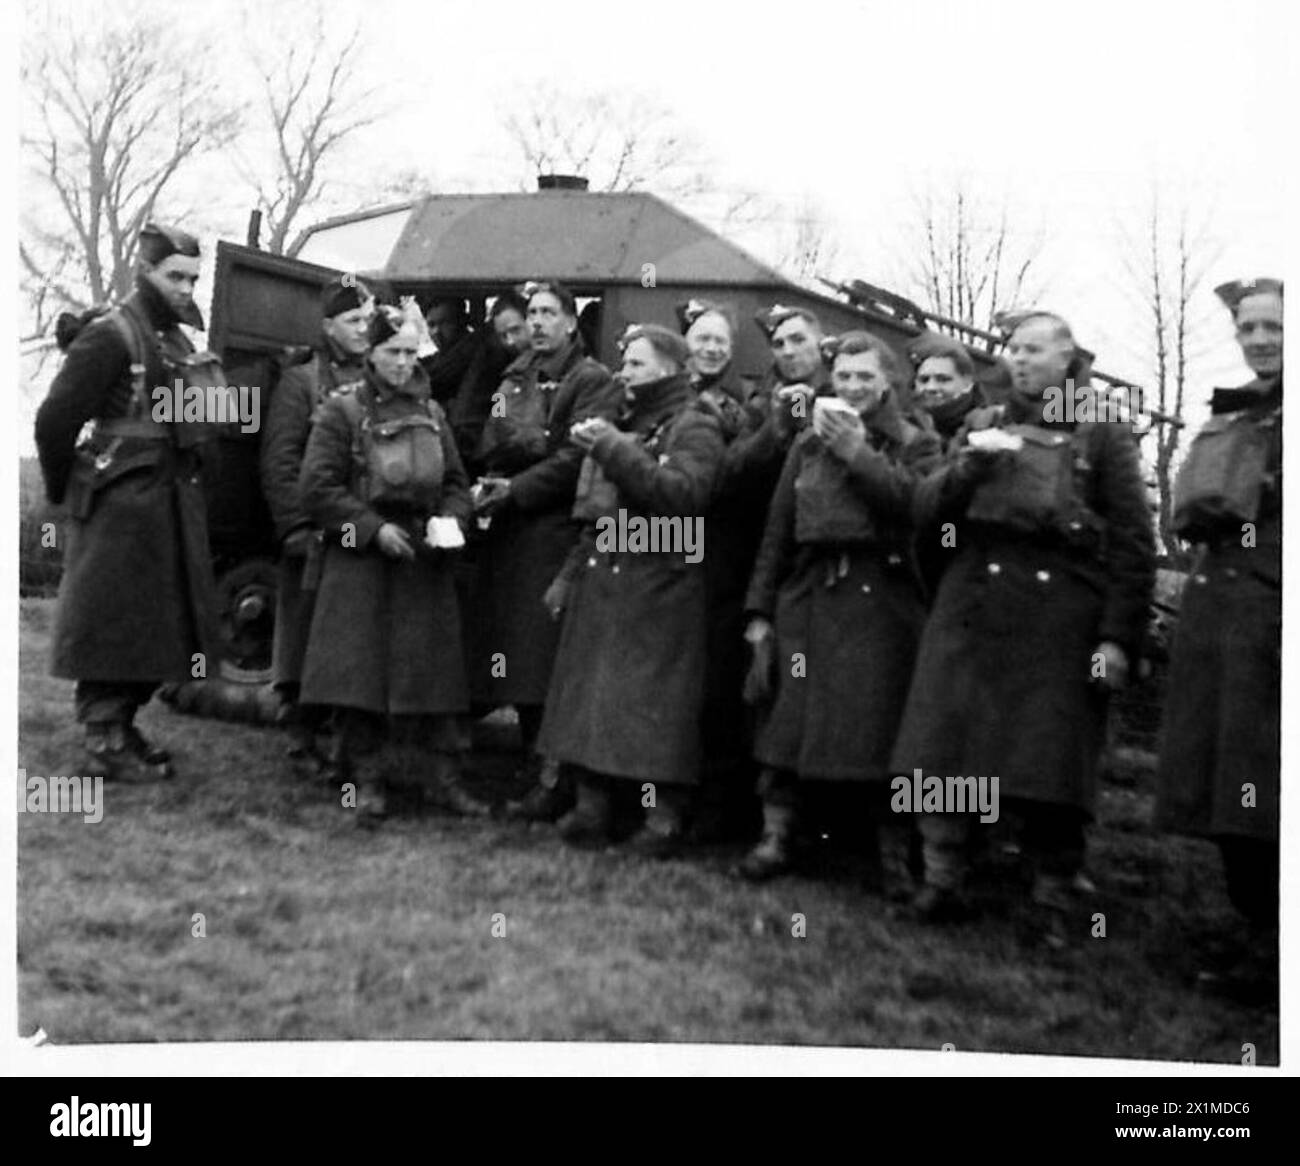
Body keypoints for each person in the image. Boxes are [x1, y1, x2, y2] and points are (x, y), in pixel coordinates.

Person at [891, 312, 1155, 929]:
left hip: (1060, 612)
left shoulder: (1103, 429)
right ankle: (943, 875)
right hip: (973, 602)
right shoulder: (984, 423)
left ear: (1068, 359)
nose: (1021, 359)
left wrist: (1117, 637)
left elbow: (1133, 543)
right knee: (945, 749)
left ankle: (1053, 893)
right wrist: (967, 471)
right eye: (1013, 348)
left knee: (1050, 761)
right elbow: (925, 511)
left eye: (1035, 349)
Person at [739, 332, 941, 881]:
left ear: (888, 383)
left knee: (881, 733)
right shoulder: (806, 445)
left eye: (864, 377)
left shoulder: (916, 441)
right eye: (844, 377)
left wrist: (858, 452)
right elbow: (777, 533)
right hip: (808, 597)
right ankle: (777, 836)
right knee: (788, 725)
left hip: (881, 604)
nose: (851, 388)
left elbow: (917, 508)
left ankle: (893, 855)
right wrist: (759, 612)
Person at [35, 222, 222, 782]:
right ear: (146, 272)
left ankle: (124, 726)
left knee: (158, 626)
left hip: (168, 503)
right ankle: (104, 736)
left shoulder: (175, 340)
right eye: (175, 277)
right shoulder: (112, 335)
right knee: (113, 622)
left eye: (193, 278)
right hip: (120, 508)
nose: (186, 288)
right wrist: (65, 488)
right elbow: (53, 420)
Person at [297, 304, 488, 821]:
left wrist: (451, 520)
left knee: (437, 680)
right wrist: (371, 529)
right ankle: (365, 780)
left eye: (410, 352)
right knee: (362, 682)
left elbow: (455, 482)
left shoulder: (433, 413)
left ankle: (442, 781)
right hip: (363, 566)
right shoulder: (342, 411)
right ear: (371, 354)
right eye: (391, 352)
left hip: (424, 566)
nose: (403, 363)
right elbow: (316, 488)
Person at [538, 324, 724, 853]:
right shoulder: (628, 421)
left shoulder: (696, 425)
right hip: (612, 573)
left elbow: (686, 499)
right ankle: (592, 806)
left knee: (654, 709)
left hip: (661, 584)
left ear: (669, 369)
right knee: (596, 697)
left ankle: (662, 820)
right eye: (625, 364)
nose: (624, 373)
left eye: (637, 365)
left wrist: (615, 449)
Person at [1155, 278, 1282, 1001]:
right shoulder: (1237, 412)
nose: (1259, 339)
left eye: (1272, 326)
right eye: (1247, 328)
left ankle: (1273, 948)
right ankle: (1256, 930)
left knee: (1267, 781)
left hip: (1272, 613)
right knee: (1231, 782)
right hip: (1222, 612)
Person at [464, 281, 621, 816]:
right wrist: (532, 448)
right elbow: (493, 435)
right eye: (531, 312)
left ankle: (550, 777)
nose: (537, 323)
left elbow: (578, 457)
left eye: (550, 313)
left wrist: (522, 478)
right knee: (513, 651)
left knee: (544, 657)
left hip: (555, 530)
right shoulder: (514, 375)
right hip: (510, 526)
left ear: (572, 323)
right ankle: (528, 768)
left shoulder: (592, 380)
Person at [259, 276, 371, 770]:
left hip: (358, 532)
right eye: (352, 320)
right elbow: (280, 462)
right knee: (304, 641)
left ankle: (347, 739)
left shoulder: (380, 378)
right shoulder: (301, 382)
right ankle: (300, 738)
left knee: (348, 643)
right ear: (328, 326)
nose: (363, 328)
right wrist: (295, 530)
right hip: (313, 535)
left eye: (368, 318)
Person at [677, 298, 768, 841]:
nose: (711, 348)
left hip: (720, 558)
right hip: (667, 553)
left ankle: (714, 806)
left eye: (721, 342)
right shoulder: (670, 396)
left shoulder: (743, 405)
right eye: (702, 338)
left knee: (715, 685)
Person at [446, 289, 532, 474]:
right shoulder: (500, 373)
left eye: (516, 330)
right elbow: (497, 414)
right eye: (503, 335)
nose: (510, 341)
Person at [909, 333, 984, 447]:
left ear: (967, 384)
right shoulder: (902, 424)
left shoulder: (983, 432)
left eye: (943, 379)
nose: (931, 387)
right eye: (924, 380)